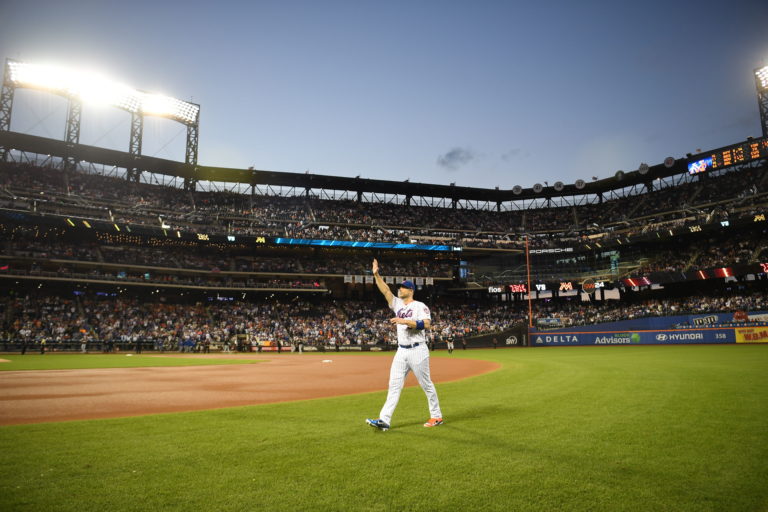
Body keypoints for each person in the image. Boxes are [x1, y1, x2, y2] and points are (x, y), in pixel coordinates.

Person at [366, 258, 443, 431]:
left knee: (426, 384)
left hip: (417, 349)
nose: (399, 289)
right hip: (401, 351)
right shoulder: (397, 303)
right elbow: (385, 291)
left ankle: (437, 416)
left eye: (402, 287)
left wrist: (405, 321)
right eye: (399, 287)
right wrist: (376, 275)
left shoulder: (419, 306)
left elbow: (427, 324)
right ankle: (384, 420)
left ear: (410, 290)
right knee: (394, 385)